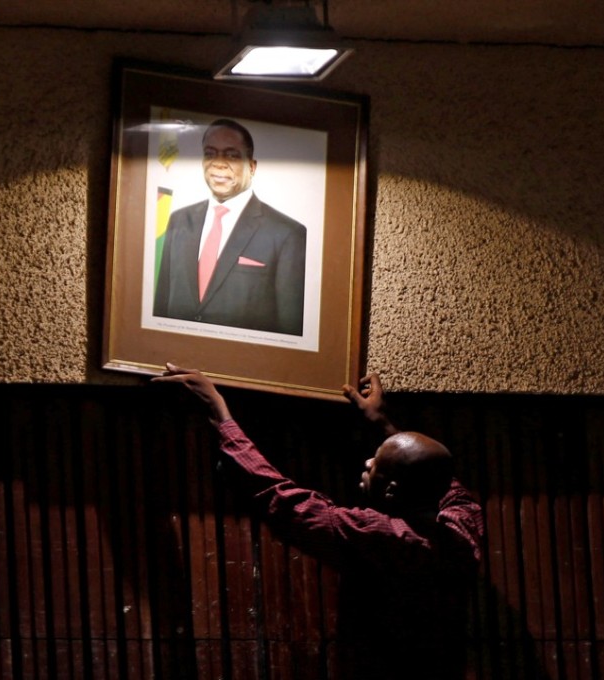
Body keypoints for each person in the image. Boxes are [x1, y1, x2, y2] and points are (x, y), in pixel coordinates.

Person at [152, 364, 485, 679]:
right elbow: (443, 480)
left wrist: (219, 411)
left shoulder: (378, 536)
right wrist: (382, 423)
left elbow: (282, 500)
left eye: (375, 464)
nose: (368, 461)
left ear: (392, 489)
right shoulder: (463, 526)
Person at [153, 119, 307, 336]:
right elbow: (160, 309)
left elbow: (289, 331)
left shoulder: (287, 234)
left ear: (251, 167)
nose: (219, 163)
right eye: (210, 153)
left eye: (232, 155)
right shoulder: (178, 220)